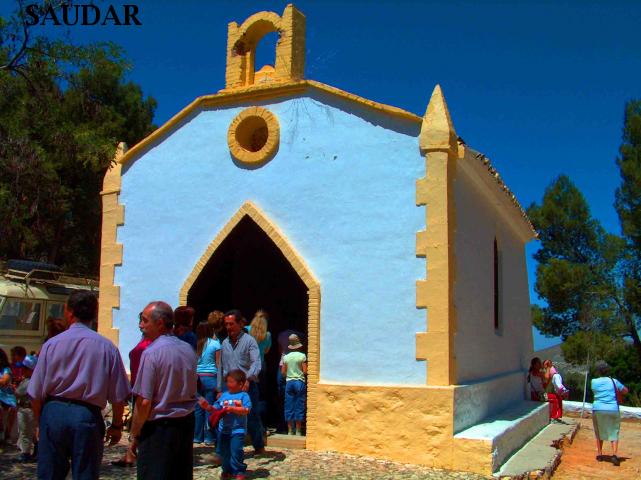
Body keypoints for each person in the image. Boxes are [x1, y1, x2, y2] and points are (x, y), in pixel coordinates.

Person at [27, 291, 130, 480]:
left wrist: (40, 421)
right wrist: (116, 425)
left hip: (53, 412)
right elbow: (118, 396)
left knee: (49, 474)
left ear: (69, 312)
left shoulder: (51, 345)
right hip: (87, 416)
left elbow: (35, 393)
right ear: (96, 312)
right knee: (86, 473)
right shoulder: (107, 348)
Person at [128, 301, 198, 480]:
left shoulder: (152, 353)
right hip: (185, 423)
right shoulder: (188, 349)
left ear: (159, 323)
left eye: (144, 320)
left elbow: (144, 401)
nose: (140, 325)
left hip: (160, 428)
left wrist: (134, 434)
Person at [220, 310, 265, 454]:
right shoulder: (224, 343)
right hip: (229, 387)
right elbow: (221, 366)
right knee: (226, 417)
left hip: (247, 386)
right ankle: (224, 451)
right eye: (226, 324)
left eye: (231, 324)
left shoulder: (249, 341)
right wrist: (219, 388)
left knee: (251, 417)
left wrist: (248, 378)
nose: (228, 327)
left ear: (240, 324)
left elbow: (256, 362)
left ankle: (258, 445)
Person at [112, 323, 153, 468]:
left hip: (143, 388)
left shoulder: (149, 346)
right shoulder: (146, 343)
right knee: (138, 423)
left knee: (140, 423)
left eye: (144, 321)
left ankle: (133, 452)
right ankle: (131, 452)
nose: (140, 325)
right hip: (139, 386)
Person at [199, 369, 251, 480]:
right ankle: (226, 470)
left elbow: (246, 410)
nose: (228, 384)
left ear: (240, 384)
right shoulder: (224, 396)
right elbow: (215, 409)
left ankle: (239, 471)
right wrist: (207, 406)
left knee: (236, 451)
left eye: (231, 382)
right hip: (223, 430)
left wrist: (233, 409)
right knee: (224, 453)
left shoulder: (244, 396)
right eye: (227, 382)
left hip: (238, 430)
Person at [590, 361, 628, 466]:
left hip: (598, 408)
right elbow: (625, 390)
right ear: (608, 370)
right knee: (613, 431)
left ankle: (600, 454)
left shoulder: (593, 382)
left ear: (598, 371)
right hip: (612, 408)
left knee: (599, 431)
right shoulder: (614, 381)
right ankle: (614, 454)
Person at [194, 321, 222, 445]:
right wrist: (220, 383)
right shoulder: (215, 344)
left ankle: (197, 436)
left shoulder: (196, 344)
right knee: (209, 408)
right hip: (210, 377)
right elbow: (218, 363)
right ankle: (209, 436)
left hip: (197, 377)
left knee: (198, 408)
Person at [281, 334, 307, 436]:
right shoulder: (302, 356)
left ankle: (289, 430)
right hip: (299, 381)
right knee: (299, 405)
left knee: (289, 405)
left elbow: (283, 372)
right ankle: (298, 430)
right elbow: (305, 371)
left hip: (289, 382)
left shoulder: (286, 357)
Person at [15, 354, 37, 462]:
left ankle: (25, 454)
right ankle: (34, 448)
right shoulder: (28, 379)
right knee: (29, 431)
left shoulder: (29, 381)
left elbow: (18, 393)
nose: (22, 370)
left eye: (24, 368)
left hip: (26, 409)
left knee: (25, 431)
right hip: (28, 409)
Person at [0, 349, 17, 445]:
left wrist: (2, 380)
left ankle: (7, 433)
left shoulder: (6, 369)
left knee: (12, 409)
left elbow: (4, 381)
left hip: (7, 396)